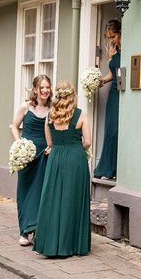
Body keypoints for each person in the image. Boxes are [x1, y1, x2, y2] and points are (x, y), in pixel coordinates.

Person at [33, 81, 91, 257]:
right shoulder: (81, 115)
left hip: (56, 159)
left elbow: (49, 143)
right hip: (75, 160)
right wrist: (75, 147)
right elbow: (87, 142)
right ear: (73, 96)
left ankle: (52, 244)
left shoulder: (50, 116)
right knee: (73, 200)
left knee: (54, 200)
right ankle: (73, 245)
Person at [11, 74, 52, 246]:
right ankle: (24, 232)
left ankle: (37, 230)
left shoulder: (53, 109)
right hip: (27, 155)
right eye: (41, 87)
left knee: (42, 193)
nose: (44, 90)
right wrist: (19, 144)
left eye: (47, 87)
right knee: (25, 192)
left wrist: (52, 146)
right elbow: (14, 126)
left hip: (45, 154)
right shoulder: (26, 107)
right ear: (35, 90)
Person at [94, 19, 121, 179]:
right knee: (110, 129)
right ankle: (106, 169)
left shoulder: (129, 49)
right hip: (113, 92)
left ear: (120, 33)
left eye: (113, 36)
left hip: (122, 93)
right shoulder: (115, 51)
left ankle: (115, 169)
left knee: (117, 131)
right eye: (109, 37)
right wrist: (103, 80)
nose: (111, 40)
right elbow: (114, 72)